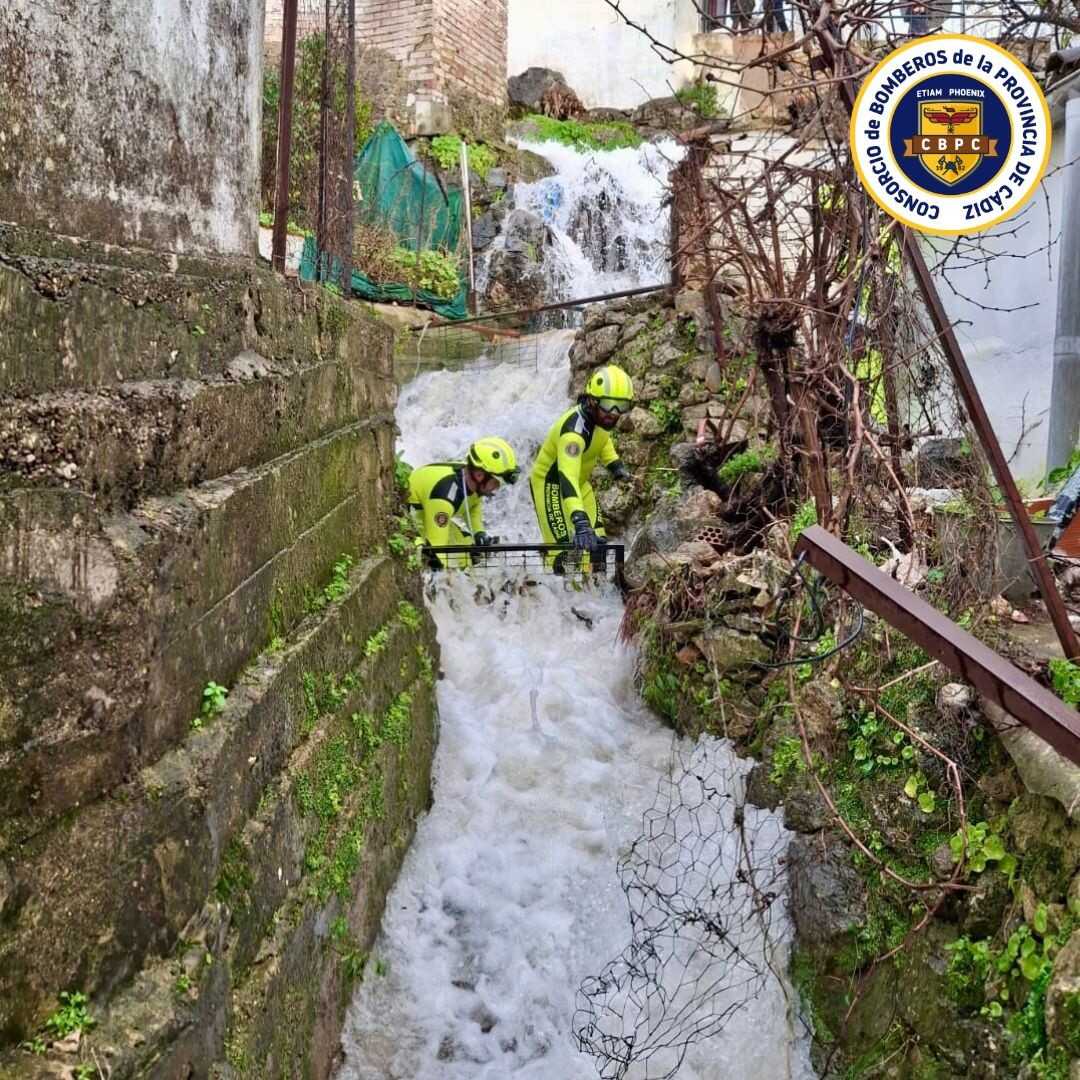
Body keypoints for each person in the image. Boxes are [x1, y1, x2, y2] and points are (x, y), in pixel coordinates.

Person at [530, 364, 634, 570]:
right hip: (552, 486)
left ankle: (593, 585)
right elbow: (567, 477)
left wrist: (615, 465)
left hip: (580, 485)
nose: (614, 413)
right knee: (562, 552)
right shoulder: (573, 435)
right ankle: (554, 584)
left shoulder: (601, 420)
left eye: (621, 406)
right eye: (609, 404)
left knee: (598, 544)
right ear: (592, 400)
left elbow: (603, 440)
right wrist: (579, 521)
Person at [408, 437, 519, 568]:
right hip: (412, 517)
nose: (497, 487)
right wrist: (443, 572)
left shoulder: (472, 480)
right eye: (496, 482)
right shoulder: (444, 497)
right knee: (434, 558)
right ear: (479, 475)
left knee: (468, 553)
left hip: (431, 510)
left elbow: (473, 506)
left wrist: (478, 533)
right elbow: (437, 548)